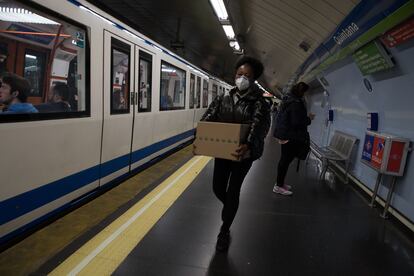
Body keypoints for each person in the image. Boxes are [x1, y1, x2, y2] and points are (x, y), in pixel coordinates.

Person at [199, 56, 270, 252]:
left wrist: (248, 144)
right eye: (239, 74)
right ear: (234, 75)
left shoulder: (259, 103)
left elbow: (260, 126)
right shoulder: (223, 98)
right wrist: (201, 134)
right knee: (217, 187)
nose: (242, 78)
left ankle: (224, 230)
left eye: (247, 75)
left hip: (243, 155)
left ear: (254, 79)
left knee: (233, 190)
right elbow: (208, 118)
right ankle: (231, 207)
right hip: (223, 151)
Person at [272, 82, 315, 196]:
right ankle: (278, 186)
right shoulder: (296, 103)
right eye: (305, 92)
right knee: (285, 161)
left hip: (286, 134)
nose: (305, 95)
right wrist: (309, 119)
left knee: (285, 161)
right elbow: (296, 122)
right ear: (301, 92)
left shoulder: (289, 100)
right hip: (290, 136)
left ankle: (280, 184)